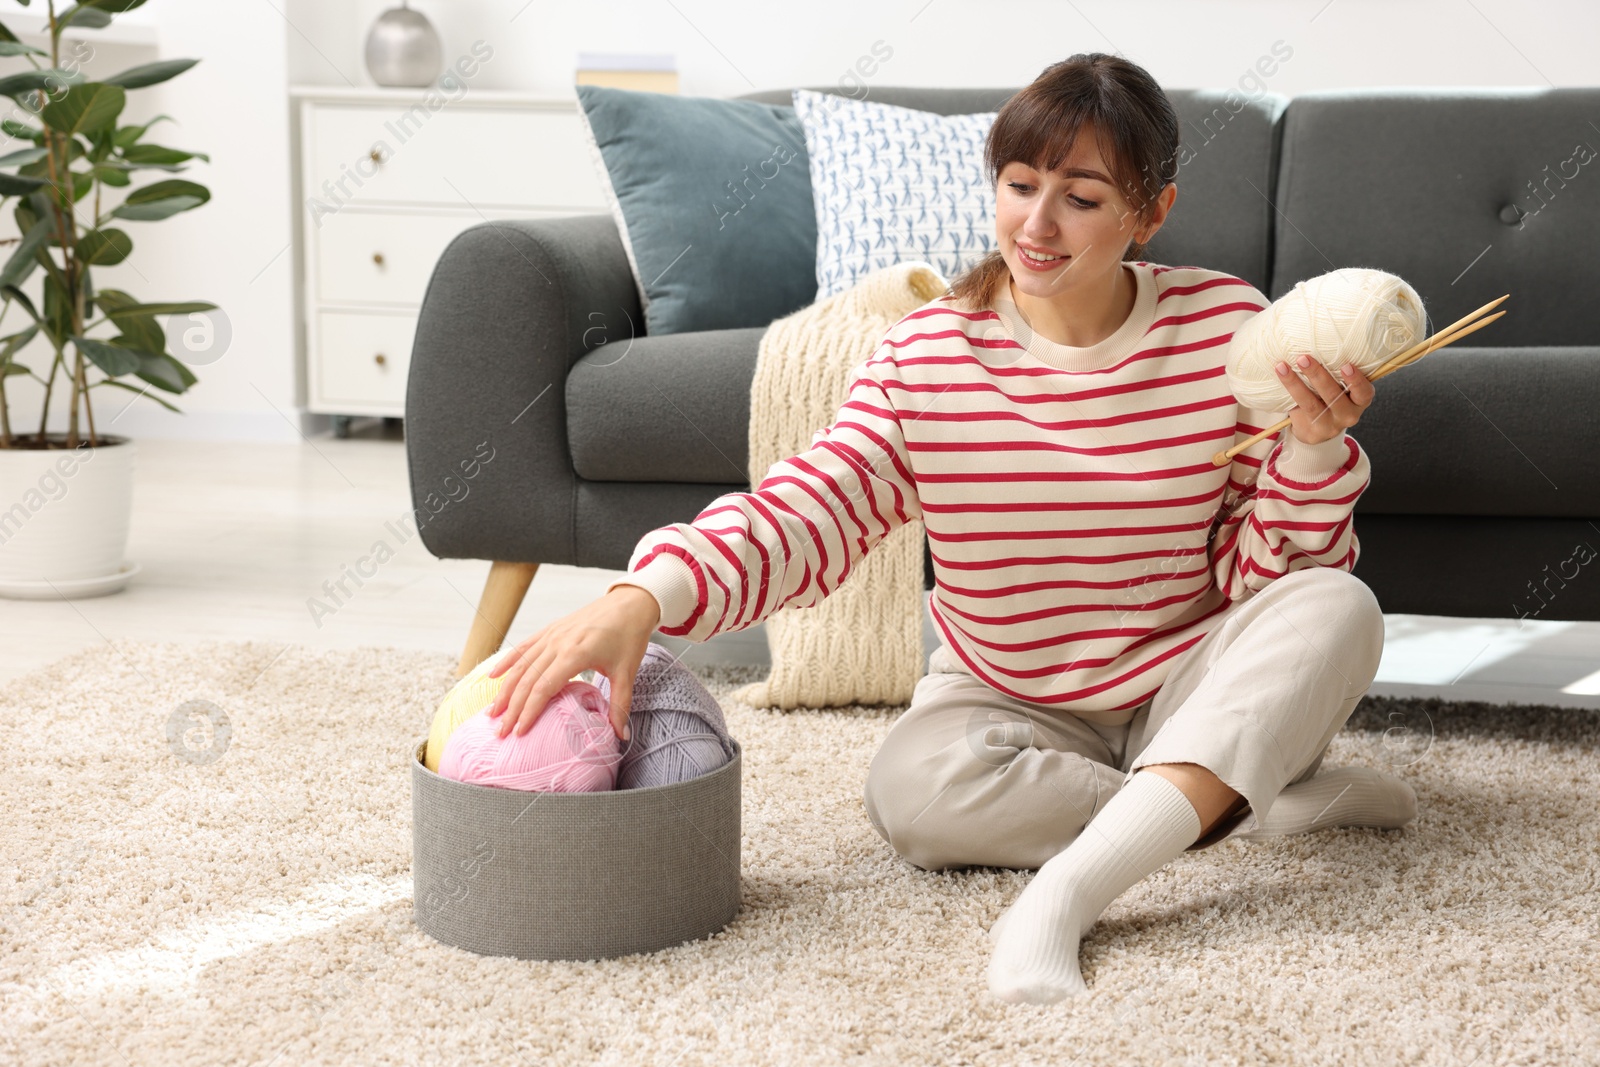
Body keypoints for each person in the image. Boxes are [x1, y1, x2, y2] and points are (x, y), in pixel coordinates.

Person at [484, 52, 1417, 1005]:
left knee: (1337, 605)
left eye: (1082, 198)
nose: (1036, 225)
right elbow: (814, 505)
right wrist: (646, 593)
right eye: (1018, 186)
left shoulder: (1225, 327)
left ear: (1151, 211)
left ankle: (1067, 890)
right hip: (1004, 697)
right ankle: (1241, 804)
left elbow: (1267, 583)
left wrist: (1308, 451)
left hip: (1186, 681)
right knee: (912, 793)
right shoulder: (929, 351)